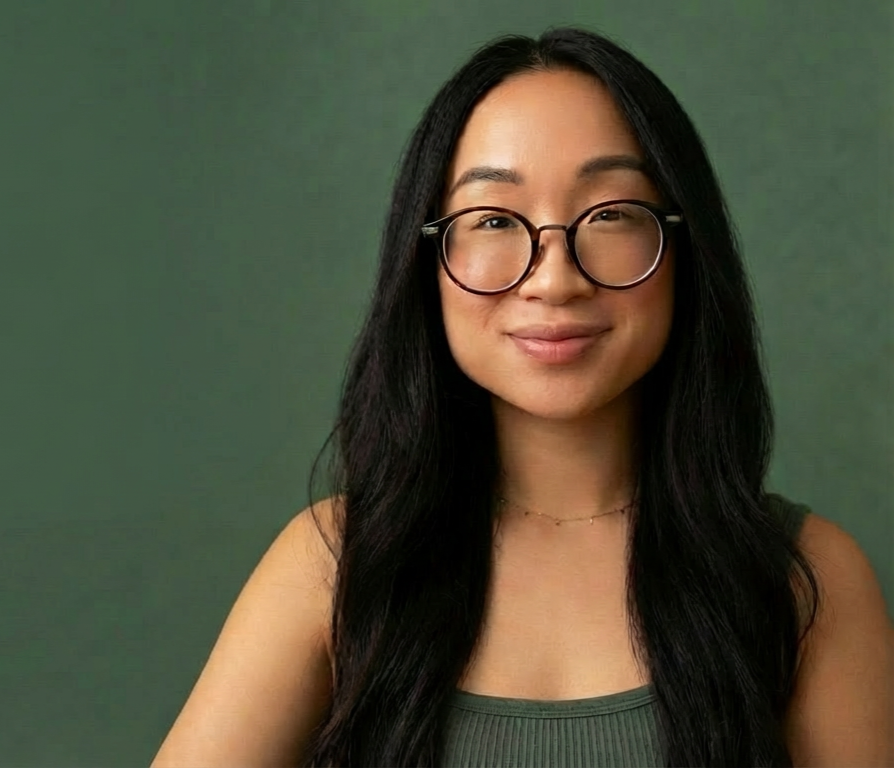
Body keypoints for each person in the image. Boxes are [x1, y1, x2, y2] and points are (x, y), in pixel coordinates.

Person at [150, 27, 893, 768]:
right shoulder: (334, 565)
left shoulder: (807, 578)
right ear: (426, 261)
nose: (554, 278)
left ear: (684, 249)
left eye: (611, 213)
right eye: (495, 220)